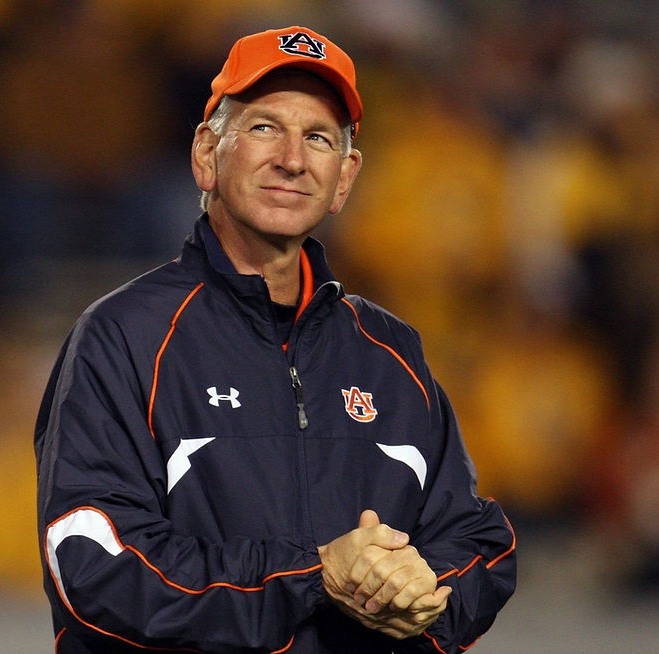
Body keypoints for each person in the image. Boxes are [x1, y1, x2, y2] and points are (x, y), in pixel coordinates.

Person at [35, 26, 516, 653]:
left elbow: (477, 542)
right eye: (264, 127)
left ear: (345, 178)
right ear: (207, 155)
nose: (292, 158)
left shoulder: (391, 353)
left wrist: (426, 595)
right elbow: (93, 568)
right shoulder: (123, 337)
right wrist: (313, 576)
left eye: (318, 137)